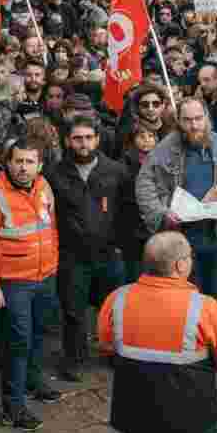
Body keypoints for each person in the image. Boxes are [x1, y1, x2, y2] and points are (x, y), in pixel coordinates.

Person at [97, 231, 217, 433]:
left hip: (133, 417)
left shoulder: (116, 299)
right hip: (192, 420)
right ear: (180, 265)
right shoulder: (204, 307)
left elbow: (107, 347)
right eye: (189, 256)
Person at [0, 137, 61, 431]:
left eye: (29, 162)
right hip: (14, 283)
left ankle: (34, 383)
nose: (23, 168)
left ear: (39, 165)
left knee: (38, 334)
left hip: (44, 277)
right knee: (17, 344)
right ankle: (13, 407)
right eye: (18, 161)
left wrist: (53, 266)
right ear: (7, 162)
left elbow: (51, 228)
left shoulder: (45, 187)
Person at [136, 99, 217, 300]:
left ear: (207, 118)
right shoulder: (164, 149)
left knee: (214, 292)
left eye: (198, 118)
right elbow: (144, 184)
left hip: (215, 234)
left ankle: (211, 330)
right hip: (179, 237)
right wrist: (161, 214)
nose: (194, 125)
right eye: (187, 120)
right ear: (178, 122)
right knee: (183, 295)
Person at [45, 115, 130, 383]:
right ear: (68, 141)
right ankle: (73, 357)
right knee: (73, 308)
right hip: (71, 254)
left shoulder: (116, 171)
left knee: (113, 307)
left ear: (98, 138)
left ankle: (116, 353)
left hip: (108, 252)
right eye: (77, 138)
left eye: (88, 137)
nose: (83, 143)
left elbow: (127, 210)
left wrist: (120, 245)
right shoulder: (54, 173)